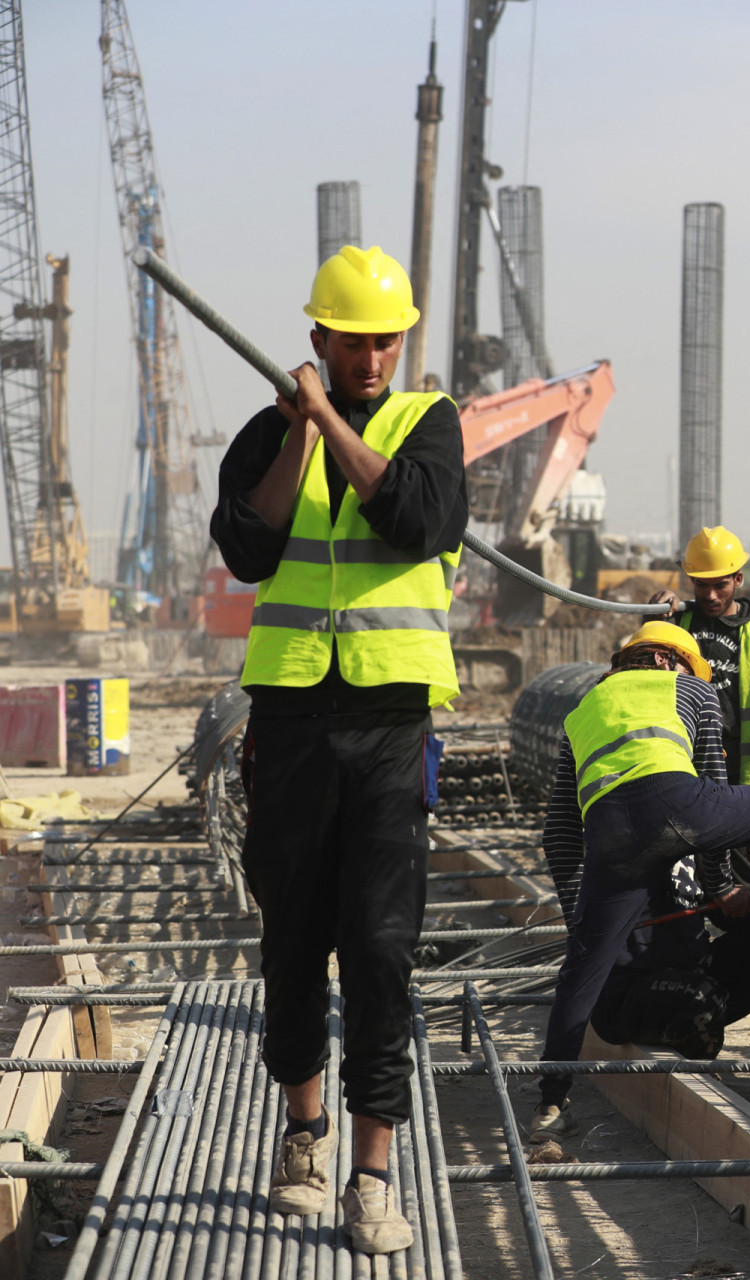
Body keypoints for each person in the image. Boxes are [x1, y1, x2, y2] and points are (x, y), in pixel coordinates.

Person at [209, 245, 463, 1253]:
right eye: (355, 338)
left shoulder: (426, 426)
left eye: (387, 337)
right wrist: (300, 434)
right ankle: (302, 1136)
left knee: (382, 947)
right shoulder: (268, 438)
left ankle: (371, 1175)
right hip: (292, 722)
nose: (373, 354)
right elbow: (249, 548)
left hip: (391, 724)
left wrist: (333, 425)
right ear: (317, 338)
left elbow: (411, 518)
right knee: (292, 939)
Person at [530, 623, 750, 1148]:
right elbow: (713, 793)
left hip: (613, 836)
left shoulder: (581, 714)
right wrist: (722, 883)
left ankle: (550, 1104)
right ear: (665, 660)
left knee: (582, 970)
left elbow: (560, 834)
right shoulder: (691, 688)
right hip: (675, 815)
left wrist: (585, 919)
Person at [648, 527, 750, 783]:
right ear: (691, 579)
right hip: (682, 762)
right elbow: (642, 668)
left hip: (741, 771)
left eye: (720, 585)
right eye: (701, 585)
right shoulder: (678, 622)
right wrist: (653, 615)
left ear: (738, 579)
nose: (710, 595)